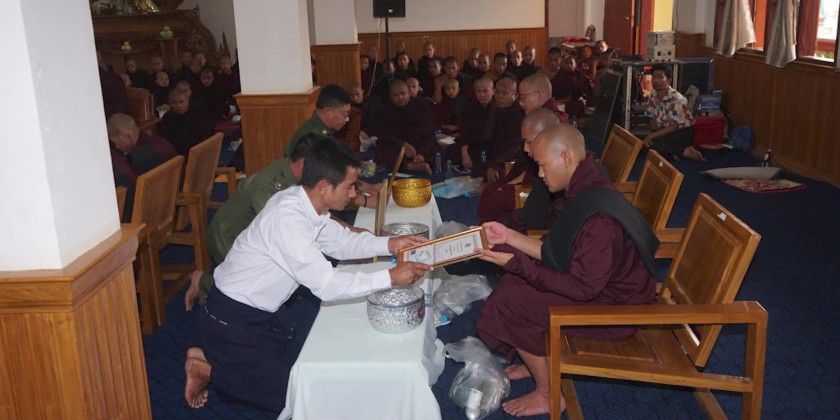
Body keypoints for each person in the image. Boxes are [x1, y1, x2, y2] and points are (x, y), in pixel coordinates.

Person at [185, 138, 432, 411]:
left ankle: (212, 359)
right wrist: (390, 277)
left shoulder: (306, 203)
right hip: (231, 318)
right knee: (289, 400)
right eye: (349, 186)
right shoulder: (288, 219)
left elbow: (341, 242)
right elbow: (327, 285)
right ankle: (205, 369)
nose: (353, 194)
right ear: (325, 186)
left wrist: (390, 244)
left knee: (301, 379)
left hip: (260, 313)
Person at [475, 124, 658, 417]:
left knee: (514, 303)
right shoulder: (585, 187)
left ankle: (548, 394)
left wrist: (517, 263)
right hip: (600, 288)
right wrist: (509, 236)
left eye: (542, 166)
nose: (540, 174)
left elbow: (582, 288)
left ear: (566, 157)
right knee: (512, 281)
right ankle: (537, 359)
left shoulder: (598, 220)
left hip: (617, 309)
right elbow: (556, 250)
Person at [183, 132, 379, 309]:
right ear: (306, 163)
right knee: (253, 282)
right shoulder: (272, 188)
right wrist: (348, 229)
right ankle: (203, 282)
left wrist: (346, 230)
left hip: (252, 233)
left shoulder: (296, 177)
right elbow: (292, 229)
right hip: (229, 234)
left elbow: (316, 211)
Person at [108, 113, 177, 221]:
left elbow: (132, 197)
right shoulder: (161, 143)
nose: (117, 147)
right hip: (172, 206)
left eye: (115, 142)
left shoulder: (136, 159)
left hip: (152, 215)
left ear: (124, 135)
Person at [371, 80, 439, 174]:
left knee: (438, 151)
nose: (400, 97)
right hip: (398, 146)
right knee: (382, 152)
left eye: (403, 94)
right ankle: (410, 166)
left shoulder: (422, 105)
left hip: (420, 143)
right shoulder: (385, 111)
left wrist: (422, 153)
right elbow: (383, 135)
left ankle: (419, 161)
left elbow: (429, 132)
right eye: (396, 95)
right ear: (390, 97)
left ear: (409, 93)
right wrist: (402, 145)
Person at [644, 64, 704, 161]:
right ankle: (675, 153)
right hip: (664, 130)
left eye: (660, 77)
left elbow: (675, 126)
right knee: (646, 144)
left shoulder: (677, 99)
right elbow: (652, 117)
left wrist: (653, 136)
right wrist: (653, 134)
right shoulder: (652, 95)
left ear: (669, 80)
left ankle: (684, 152)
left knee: (653, 145)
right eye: (654, 77)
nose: (656, 80)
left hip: (682, 132)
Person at [285, 84, 352, 156]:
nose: (347, 119)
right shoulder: (313, 138)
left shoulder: (323, 128)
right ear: (328, 112)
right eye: (344, 114)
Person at [447, 77, 494, 173]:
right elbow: (464, 132)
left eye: (485, 91)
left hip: (490, 147)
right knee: (450, 150)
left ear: (493, 91)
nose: (482, 95)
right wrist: (465, 153)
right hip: (472, 145)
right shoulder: (469, 107)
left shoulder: (497, 109)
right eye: (478, 91)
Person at [157, 89, 215, 156]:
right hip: (176, 154)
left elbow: (207, 135)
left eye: (181, 102)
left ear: (187, 100)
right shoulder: (167, 118)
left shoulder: (200, 114)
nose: (178, 105)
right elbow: (164, 140)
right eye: (174, 103)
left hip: (199, 151)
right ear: (169, 103)